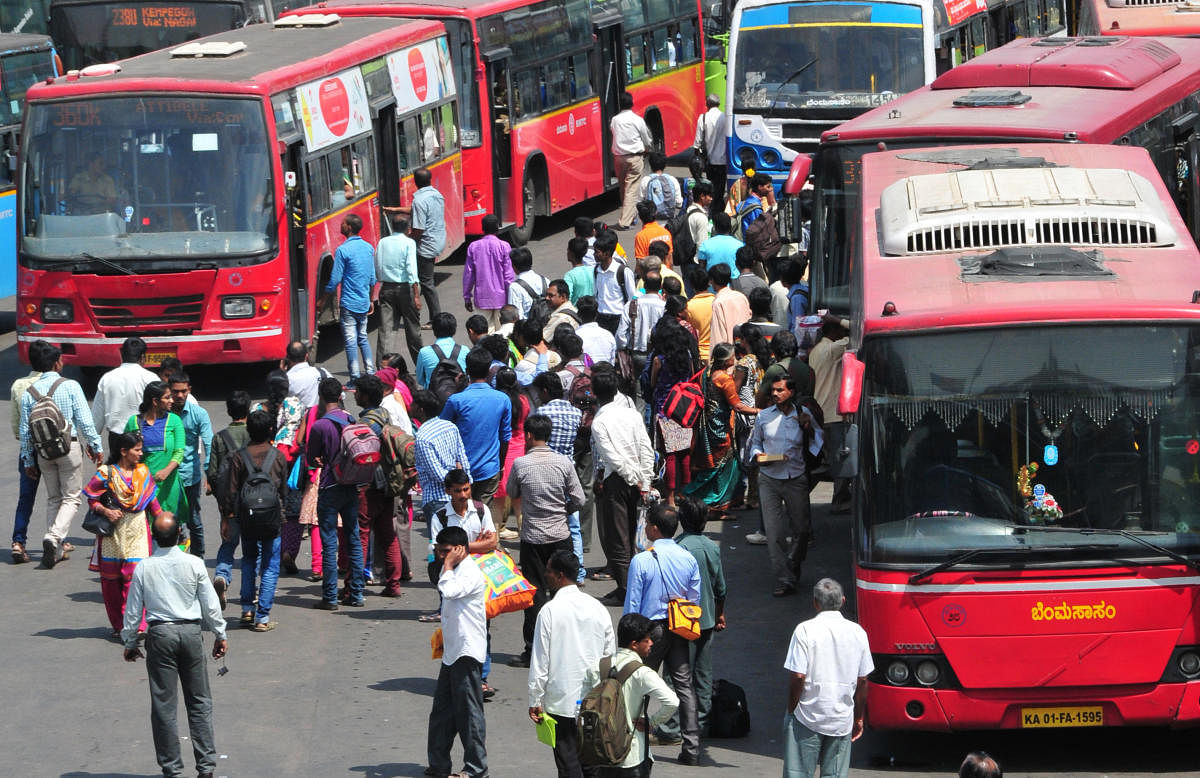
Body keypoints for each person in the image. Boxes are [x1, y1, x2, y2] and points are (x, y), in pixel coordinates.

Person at [121, 513, 227, 778]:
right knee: (200, 702)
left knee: (163, 706)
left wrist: (130, 641)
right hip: (190, 633)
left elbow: (133, 611)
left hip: (160, 636)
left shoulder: (144, 567)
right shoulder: (194, 563)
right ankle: (206, 768)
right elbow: (210, 603)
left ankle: (172, 770)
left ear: (154, 538)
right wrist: (220, 634)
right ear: (180, 534)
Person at [623, 503, 702, 766]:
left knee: (639, 685)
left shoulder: (642, 560)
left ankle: (635, 742)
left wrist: (628, 642)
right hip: (679, 626)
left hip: (649, 630)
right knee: (684, 685)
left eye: (647, 524)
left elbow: (632, 605)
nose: (645, 528)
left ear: (654, 529)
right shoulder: (687, 557)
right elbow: (694, 599)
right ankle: (692, 748)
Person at [527, 549, 615, 778]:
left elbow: (540, 661)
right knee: (591, 764)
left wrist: (535, 699)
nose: (545, 575)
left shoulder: (549, 611)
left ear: (559, 575)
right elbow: (609, 657)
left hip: (561, 703)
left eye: (548, 571)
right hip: (593, 701)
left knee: (568, 765)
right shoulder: (598, 608)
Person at [506, 414, 585, 666]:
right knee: (564, 592)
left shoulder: (520, 464)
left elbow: (511, 492)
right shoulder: (564, 463)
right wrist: (563, 510)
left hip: (533, 538)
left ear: (529, 436)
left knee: (534, 594)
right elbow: (579, 499)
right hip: (561, 536)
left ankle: (533, 650)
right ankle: (566, 647)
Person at [19, 340, 104, 567]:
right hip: (69, 447)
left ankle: (55, 550)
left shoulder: (30, 393)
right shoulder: (70, 386)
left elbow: (25, 431)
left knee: (54, 498)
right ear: (57, 363)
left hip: (43, 452)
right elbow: (85, 421)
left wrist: (28, 458)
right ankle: (54, 537)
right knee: (72, 498)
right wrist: (96, 446)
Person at [782, 579, 872, 778]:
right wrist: (859, 717)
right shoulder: (858, 632)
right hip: (841, 719)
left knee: (798, 773)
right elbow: (863, 680)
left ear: (815, 603)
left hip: (806, 716)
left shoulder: (804, 630)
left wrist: (791, 709)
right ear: (843, 600)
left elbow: (798, 676)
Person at [656, 497, 726, 744]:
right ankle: (702, 723)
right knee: (702, 675)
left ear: (681, 522)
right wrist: (719, 614)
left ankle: (673, 727)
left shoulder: (678, 547)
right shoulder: (711, 546)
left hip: (682, 620)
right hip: (705, 618)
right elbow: (721, 588)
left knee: (677, 675)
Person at [84, 430, 163, 637]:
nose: (140, 453)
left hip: (137, 530)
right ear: (124, 451)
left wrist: (163, 521)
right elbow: (92, 499)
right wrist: (106, 511)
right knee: (111, 583)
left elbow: (152, 502)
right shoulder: (106, 473)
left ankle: (136, 625)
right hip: (112, 534)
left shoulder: (143, 473)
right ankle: (119, 626)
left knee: (135, 578)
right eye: (137, 450)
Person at [749, 374, 822, 597]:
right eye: (773, 390)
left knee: (801, 531)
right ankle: (784, 579)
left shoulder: (803, 415)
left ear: (791, 392)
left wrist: (807, 428)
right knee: (775, 534)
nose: (775, 394)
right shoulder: (764, 417)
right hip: (769, 478)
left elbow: (817, 439)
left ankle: (793, 563)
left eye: (780, 390)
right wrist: (758, 455)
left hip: (796, 478)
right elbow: (755, 443)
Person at [580, 613, 679, 777]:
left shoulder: (596, 666)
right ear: (634, 644)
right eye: (647, 639)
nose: (652, 643)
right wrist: (651, 723)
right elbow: (672, 701)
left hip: (601, 753)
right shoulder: (642, 672)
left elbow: (581, 705)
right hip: (631, 754)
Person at [426, 525, 489, 778]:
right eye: (439, 551)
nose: (442, 556)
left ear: (460, 550)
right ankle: (439, 765)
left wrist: (448, 566)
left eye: (446, 551)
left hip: (466, 652)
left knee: (469, 713)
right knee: (442, 712)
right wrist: (447, 565)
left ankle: (476, 768)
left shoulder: (469, 573)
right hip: (452, 652)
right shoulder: (451, 569)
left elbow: (449, 591)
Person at [220, 409, 287, 631]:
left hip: (246, 519)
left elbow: (231, 491)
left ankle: (247, 609)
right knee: (269, 565)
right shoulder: (278, 456)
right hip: (271, 518)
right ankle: (263, 617)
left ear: (249, 430)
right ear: (271, 430)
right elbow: (284, 491)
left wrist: (228, 517)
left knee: (248, 559)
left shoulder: (240, 456)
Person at [591, 370, 654, 605]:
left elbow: (613, 459)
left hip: (617, 481)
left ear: (596, 393)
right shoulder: (632, 414)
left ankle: (627, 590)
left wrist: (634, 477)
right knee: (630, 533)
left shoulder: (600, 421)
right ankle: (628, 587)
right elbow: (646, 448)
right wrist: (644, 480)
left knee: (619, 538)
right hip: (635, 478)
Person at [306, 376, 365, 610]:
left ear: (321, 397)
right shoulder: (349, 419)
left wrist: (321, 458)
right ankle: (357, 594)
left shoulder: (320, 425)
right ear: (340, 397)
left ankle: (330, 598)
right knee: (353, 538)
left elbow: (312, 458)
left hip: (330, 487)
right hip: (351, 485)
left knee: (329, 542)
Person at [684, 343, 758, 518]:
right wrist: (760, 411)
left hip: (709, 426)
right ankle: (709, 503)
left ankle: (709, 504)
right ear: (727, 360)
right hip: (720, 429)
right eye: (733, 356)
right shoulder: (724, 379)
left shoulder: (707, 372)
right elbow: (738, 406)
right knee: (723, 469)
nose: (735, 359)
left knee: (713, 468)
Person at [441, 348, 513, 506]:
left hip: (461, 473)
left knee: (461, 517)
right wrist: (500, 465)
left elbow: (441, 431)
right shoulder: (503, 399)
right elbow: (505, 437)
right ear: (489, 371)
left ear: (467, 371)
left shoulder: (456, 400)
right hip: (489, 470)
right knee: (482, 517)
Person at [320, 213, 377, 386]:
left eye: (343, 223)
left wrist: (323, 300)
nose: (341, 225)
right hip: (363, 302)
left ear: (349, 228)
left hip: (349, 303)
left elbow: (335, 279)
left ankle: (354, 377)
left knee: (351, 341)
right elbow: (372, 278)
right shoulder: (368, 248)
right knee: (362, 338)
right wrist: (370, 300)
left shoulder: (343, 250)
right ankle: (370, 372)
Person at [649, 316, 699, 507]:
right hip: (685, 408)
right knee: (684, 453)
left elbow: (653, 383)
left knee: (669, 454)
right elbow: (692, 377)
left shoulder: (659, 360)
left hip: (665, 410)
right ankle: (684, 493)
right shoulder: (686, 356)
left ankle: (669, 497)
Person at [207, 390, 252, 608]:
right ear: (249, 409)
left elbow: (213, 475)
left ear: (228, 411)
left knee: (228, 543)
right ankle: (249, 594)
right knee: (253, 551)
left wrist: (223, 508)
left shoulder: (219, 438)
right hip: (254, 503)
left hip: (230, 504)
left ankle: (222, 575)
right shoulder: (255, 434)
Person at [391, 167, 446, 324]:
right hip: (437, 240)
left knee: (426, 283)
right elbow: (417, 210)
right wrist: (396, 209)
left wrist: (406, 239)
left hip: (426, 245)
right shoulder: (436, 195)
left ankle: (435, 319)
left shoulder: (420, 200)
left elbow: (419, 229)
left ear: (415, 182)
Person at [809, 314, 851, 512]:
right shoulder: (833, 349)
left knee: (828, 459)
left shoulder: (816, 350)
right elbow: (858, 332)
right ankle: (840, 500)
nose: (844, 333)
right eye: (841, 330)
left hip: (820, 412)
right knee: (840, 460)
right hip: (833, 415)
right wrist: (841, 320)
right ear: (833, 332)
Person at [169, 372, 213, 558]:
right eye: (175, 391)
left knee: (194, 521)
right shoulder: (163, 413)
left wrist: (209, 475)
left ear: (189, 390)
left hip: (190, 477)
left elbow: (209, 443)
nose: (179, 396)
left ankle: (198, 560)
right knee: (169, 521)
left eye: (183, 391)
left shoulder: (198, 414)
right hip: (168, 478)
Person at [375, 215, 423, 365]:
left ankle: (382, 368)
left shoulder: (383, 242)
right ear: (408, 229)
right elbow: (411, 269)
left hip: (386, 287)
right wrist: (416, 295)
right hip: (406, 288)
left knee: (386, 330)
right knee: (413, 328)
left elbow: (377, 264)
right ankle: (420, 364)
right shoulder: (409, 242)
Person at [92, 337, 160, 437]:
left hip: (116, 438)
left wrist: (93, 442)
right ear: (142, 357)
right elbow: (160, 409)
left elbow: (97, 415)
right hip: (143, 435)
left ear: (122, 355)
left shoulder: (107, 378)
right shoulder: (151, 378)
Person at [492, 368, 532, 541]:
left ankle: (494, 539)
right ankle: (526, 538)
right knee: (520, 503)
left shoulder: (497, 401)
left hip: (502, 454)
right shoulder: (523, 401)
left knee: (498, 502)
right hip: (521, 451)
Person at [10, 360, 43, 564]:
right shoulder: (62, 384)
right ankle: (58, 539)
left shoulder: (18, 385)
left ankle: (18, 542)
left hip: (28, 450)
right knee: (57, 497)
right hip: (54, 451)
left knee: (26, 498)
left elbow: (16, 426)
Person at [616, 271, 665, 397]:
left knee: (639, 393)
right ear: (660, 287)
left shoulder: (632, 305)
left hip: (638, 354)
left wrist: (625, 348)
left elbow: (621, 334)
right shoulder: (664, 306)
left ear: (644, 286)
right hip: (658, 355)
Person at [463, 214, 515, 330]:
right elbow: (508, 276)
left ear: (482, 228)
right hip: (502, 299)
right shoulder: (504, 246)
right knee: (503, 333)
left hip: (482, 299)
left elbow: (469, 275)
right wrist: (511, 297)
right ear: (497, 228)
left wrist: (467, 297)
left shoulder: (473, 247)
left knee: (484, 333)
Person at [610, 91, 653, 230]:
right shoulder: (637, 120)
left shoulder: (615, 120)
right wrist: (647, 148)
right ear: (632, 104)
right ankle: (625, 221)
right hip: (634, 157)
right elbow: (646, 138)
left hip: (619, 158)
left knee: (623, 187)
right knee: (631, 189)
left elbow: (613, 133)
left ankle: (630, 215)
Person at [593, 229, 639, 334]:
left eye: (597, 252)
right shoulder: (596, 270)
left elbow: (632, 298)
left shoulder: (623, 271)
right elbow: (597, 293)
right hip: (601, 318)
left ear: (607, 253)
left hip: (618, 320)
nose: (594, 255)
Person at [693, 94, 727, 214]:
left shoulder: (703, 118)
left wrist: (697, 159)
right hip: (724, 161)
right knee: (721, 187)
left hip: (709, 160)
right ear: (718, 104)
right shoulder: (725, 117)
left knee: (711, 186)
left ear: (707, 104)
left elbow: (697, 143)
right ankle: (718, 209)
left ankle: (712, 210)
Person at [709, 264, 752, 358]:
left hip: (729, 357)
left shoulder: (718, 303)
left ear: (712, 280)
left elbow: (718, 335)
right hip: (746, 352)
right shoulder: (741, 296)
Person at [416, 312, 468, 388]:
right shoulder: (465, 350)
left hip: (433, 397)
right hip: (459, 396)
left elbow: (420, 380)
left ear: (434, 330)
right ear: (454, 330)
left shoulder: (424, 352)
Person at [638, 152, 683, 224]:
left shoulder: (645, 180)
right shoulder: (672, 180)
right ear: (665, 165)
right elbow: (679, 203)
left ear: (650, 164)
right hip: (669, 222)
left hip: (651, 222)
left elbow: (640, 202)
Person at [683, 266, 715, 363]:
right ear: (709, 283)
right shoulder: (717, 302)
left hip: (698, 355)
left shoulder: (688, 307)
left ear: (692, 286)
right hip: (716, 352)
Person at [696, 212, 743, 280]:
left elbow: (702, 269)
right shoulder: (740, 245)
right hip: (734, 286)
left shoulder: (705, 245)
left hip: (712, 286)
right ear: (730, 225)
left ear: (715, 226)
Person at [282, 340, 326, 407]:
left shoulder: (287, 379)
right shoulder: (322, 372)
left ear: (287, 358)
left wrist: (281, 373)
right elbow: (341, 395)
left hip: (299, 416)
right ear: (306, 356)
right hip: (320, 416)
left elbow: (277, 402)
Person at [507, 247, 548, 319]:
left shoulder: (514, 287)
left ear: (513, 266)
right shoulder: (545, 280)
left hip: (529, 327)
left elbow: (516, 315)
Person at [576, 296, 617, 365]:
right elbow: (612, 362)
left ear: (578, 314)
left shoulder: (575, 336)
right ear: (597, 314)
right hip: (606, 374)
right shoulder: (609, 335)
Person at [565, 236, 595, 304]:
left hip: (578, 312)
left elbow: (567, 298)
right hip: (593, 310)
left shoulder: (570, 275)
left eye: (567, 250)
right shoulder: (593, 270)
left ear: (571, 253)